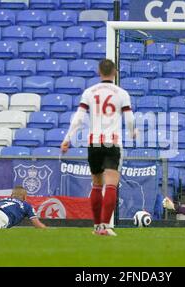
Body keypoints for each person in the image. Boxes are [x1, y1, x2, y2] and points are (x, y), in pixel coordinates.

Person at [60, 59, 137, 236]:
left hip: (93, 143)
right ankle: (105, 226)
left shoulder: (89, 92)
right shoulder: (121, 93)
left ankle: (96, 227)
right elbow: (130, 118)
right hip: (112, 142)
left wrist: (67, 139)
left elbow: (78, 118)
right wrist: (133, 132)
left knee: (96, 184)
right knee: (111, 184)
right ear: (115, 72)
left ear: (98, 72)